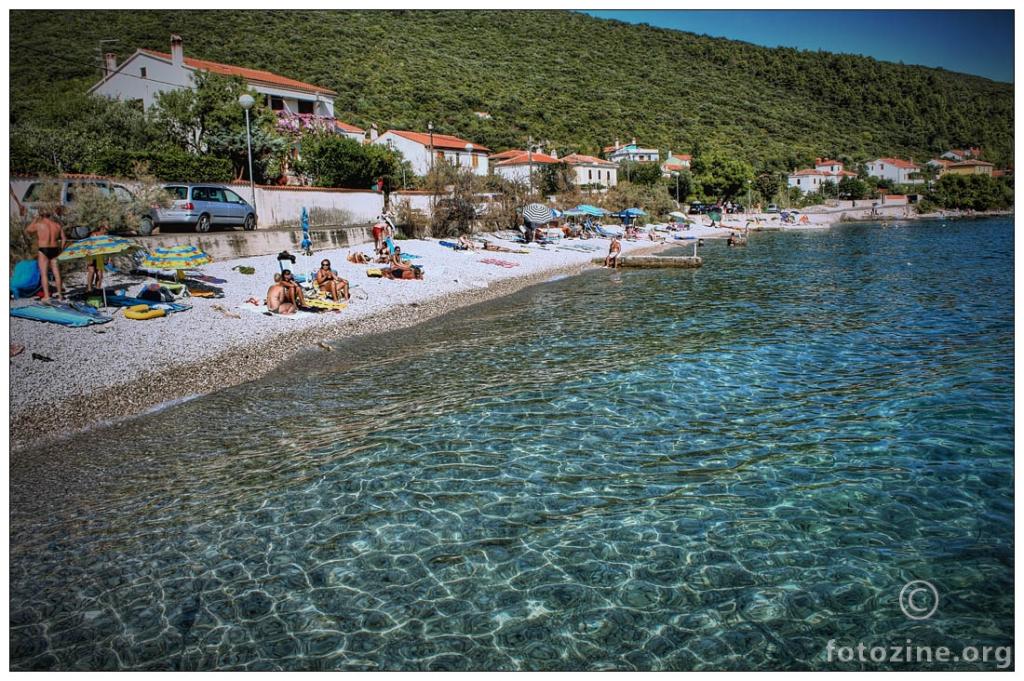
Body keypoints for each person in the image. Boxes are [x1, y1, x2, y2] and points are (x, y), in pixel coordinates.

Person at [25, 208, 66, 301]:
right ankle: (60, 295)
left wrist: (35, 219)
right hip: (55, 249)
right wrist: (61, 249)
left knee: (44, 274)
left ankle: (47, 296)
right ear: (50, 215)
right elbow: (64, 238)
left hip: (44, 249)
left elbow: (28, 230)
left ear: (40, 215)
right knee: (57, 273)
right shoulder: (57, 225)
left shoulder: (39, 224)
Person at [85, 220, 110, 294]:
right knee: (91, 271)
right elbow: (88, 246)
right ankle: (89, 288)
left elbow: (108, 247)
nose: (107, 230)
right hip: (91, 254)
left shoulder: (106, 236)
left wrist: (108, 258)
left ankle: (97, 289)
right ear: (102, 228)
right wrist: (89, 259)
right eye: (106, 228)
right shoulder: (94, 235)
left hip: (100, 255)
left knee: (100, 274)